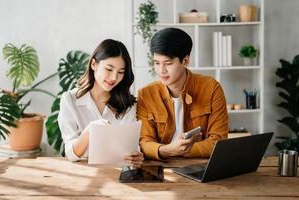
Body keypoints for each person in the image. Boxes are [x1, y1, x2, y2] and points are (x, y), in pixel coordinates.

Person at [137, 28, 229, 160]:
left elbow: (218, 141)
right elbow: (144, 143)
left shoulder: (211, 88)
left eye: (168, 63)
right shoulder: (145, 94)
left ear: (185, 61)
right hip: (162, 168)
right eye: (157, 63)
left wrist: (178, 151)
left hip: (200, 166)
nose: (161, 70)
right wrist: (167, 150)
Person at [58, 39, 143, 167]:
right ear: (94, 64)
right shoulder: (70, 100)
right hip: (83, 173)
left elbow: (131, 148)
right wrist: (91, 130)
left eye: (120, 72)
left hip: (118, 172)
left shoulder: (128, 104)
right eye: (109, 69)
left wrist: (135, 155)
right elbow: (71, 154)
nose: (114, 77)